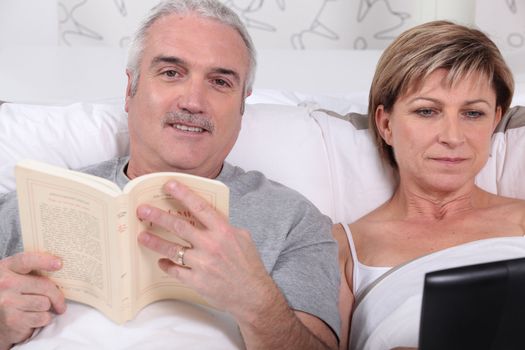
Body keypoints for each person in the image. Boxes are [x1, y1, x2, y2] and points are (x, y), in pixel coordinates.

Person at [0, 1, 340, 349]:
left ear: (242, 106)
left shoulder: (294, 222)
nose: (193, 101)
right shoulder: (29, 203)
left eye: (220, 81)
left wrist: (255, 302)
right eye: (171, 73)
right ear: (129, 89)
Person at [333, 20, 525, 349]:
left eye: (473, 114)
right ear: (385, 124)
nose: (452, 137)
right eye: (426, 111)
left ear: (495, 120)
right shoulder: (345, 247)